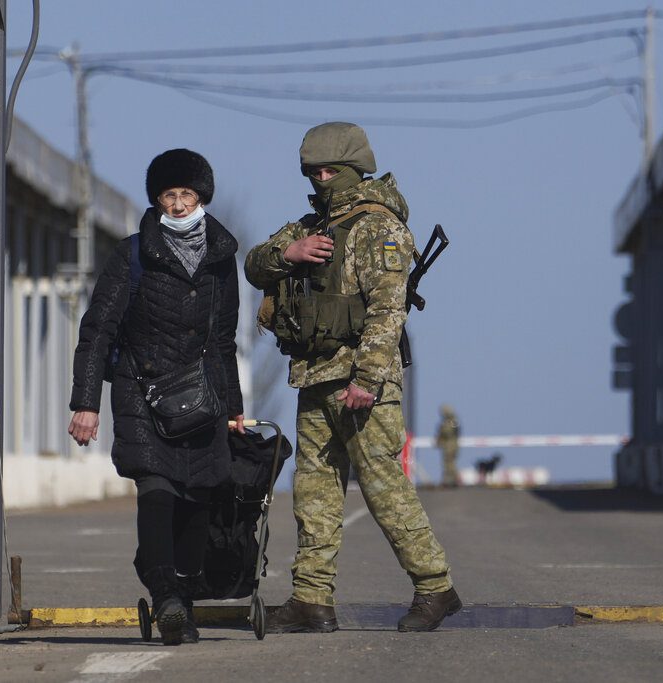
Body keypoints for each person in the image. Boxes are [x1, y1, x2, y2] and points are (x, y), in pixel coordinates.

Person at [245, 122, 460, 633]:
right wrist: (288, 255)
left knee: (384, 487)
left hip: (360, 382)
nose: (321, 179)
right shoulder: (310, 226)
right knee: (314, 492)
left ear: (352, 168)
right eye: (313, 171)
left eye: (330, 171)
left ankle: (436, 587)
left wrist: (367, 376)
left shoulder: (377, 226)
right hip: (314, 374)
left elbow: (389, 310)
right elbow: (255, 266)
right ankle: (311, 600)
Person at [67, 148, 245, 646]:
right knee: (157, 489)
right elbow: (98, 330)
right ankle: (165, 594)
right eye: (170, 194)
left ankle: (181, 601)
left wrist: (234, 409)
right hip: (142, 392)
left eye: (187, 193)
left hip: (203, 396)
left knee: (198, 498)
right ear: (158, 199)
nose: (180, 203)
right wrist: (84, 403)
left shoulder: (221, 258)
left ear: (201, 196)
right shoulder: (133, 254)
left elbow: (224, 340)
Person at [436, 405, 461, 487]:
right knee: (447, 463)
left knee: (450, 463)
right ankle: (449, 480)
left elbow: (447, 433)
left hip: (451, 445)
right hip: (448, 445)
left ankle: (452, 480)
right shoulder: (448, 422)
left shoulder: (452, 422)